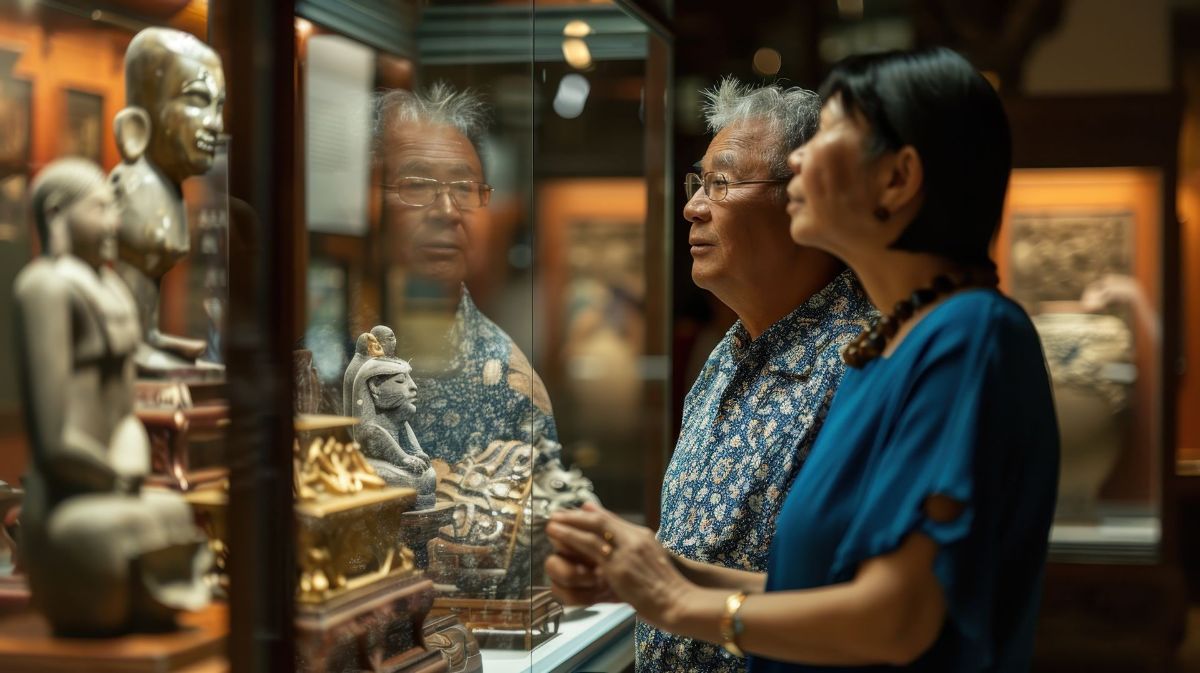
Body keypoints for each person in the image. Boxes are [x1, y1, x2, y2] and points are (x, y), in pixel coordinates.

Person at [546, 47, 1059, 673]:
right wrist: (655, 573)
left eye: (831, 135)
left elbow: (896, 619)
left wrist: (677, 601)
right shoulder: (896, 342)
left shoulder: (968, 333)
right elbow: (816, 589)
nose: (797, 161)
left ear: (896, 179)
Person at [641, 78, 873, 673]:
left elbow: (857, 607)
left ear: (802, 199)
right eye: (699, 183)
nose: (693, 206)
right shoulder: (729, 349)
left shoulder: (866, 362)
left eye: (722, 183)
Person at [372, 83, 558, 464]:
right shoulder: (318, 350)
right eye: (418, 185)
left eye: (465, 189)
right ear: (368, 200)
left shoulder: (509, 386)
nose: (447, 211)